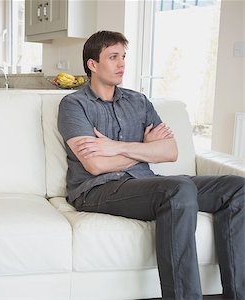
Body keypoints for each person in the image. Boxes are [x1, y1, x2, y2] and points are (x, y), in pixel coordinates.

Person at [57, 30, 244, 299]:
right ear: (92, 65)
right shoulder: (74, 105)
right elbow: (95, 165)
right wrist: (146, 149)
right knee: (178, 189)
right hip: (96, 190)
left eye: (123, 56)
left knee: (237, 188)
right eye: (113, 57)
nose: (122, 64)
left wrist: (117, 147)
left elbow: (170, 151)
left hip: (143, 184)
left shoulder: (139, 101)